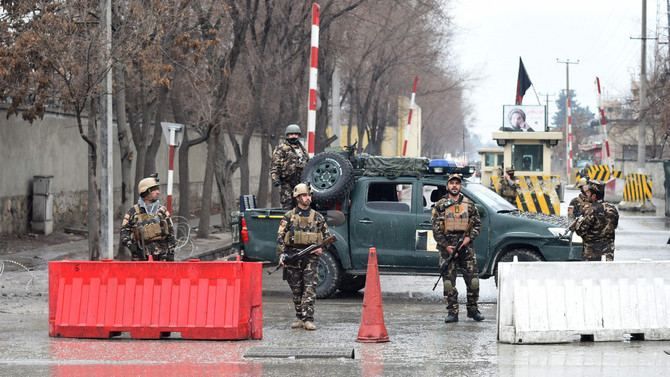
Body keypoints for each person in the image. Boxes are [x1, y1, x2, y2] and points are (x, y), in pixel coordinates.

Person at [276, 183, 330, 331]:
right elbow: (280, 237)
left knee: (309, 288)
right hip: (293, 256)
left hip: (311, 258)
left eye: (309, 195)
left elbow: (327, 237)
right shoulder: (289, 217)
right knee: (296, 289)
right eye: (305, 195)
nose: (308, 198)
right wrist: (281, 255)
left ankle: (308, 319)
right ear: (297, 197)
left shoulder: (317, 217)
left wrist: (321, 248)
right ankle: (299, 316)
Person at [431, 174, 484, 323]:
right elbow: (435, 229)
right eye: (452, 183)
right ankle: (452, 312)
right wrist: (447, 246)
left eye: (457, 183)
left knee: (473, 282)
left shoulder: (469, 204)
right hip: (447, 250)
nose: (454, 186)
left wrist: (466, 241)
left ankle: (473, 310)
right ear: (447, 186)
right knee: (449, 283)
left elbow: (477, 225)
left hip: (466, 249)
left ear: (460, 186)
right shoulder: (440, 205)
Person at [120, 175, 177, 261]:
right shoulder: (133, 212)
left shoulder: (162, 211)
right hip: (140, 257)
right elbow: (124, 232)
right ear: (146, 191)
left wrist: (171, 252)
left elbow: (171, 233)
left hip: (161, 257)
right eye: (154, 190)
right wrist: (132, 247)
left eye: (158, 189)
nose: (158, 192)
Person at [569, 181, 619, 261]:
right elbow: (615, 226)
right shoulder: (612, 208)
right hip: (608, 252)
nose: (587, 195)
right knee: (608, 272)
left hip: (592, 253)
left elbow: (580, 231)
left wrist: (577, 222)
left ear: (594, 196)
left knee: (592, 273)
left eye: (589, 193)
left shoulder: (591, 210)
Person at [271, 124, 310, 209]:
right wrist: (275, 178)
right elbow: (275, 164)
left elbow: (308, 162)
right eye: (291, 134)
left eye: (296, 134)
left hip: (301, 182)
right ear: (287, 135)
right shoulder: (282, 148)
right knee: (288, 204)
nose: (294, 136)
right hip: (287, 181)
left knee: (301, 205)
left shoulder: (302, 149)